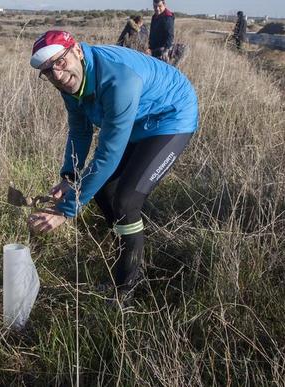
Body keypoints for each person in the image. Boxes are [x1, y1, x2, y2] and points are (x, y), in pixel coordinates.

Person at [27, 30, 198, 299]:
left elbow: (108, 155)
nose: (57, 75)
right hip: (138, 119)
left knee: (126, 200)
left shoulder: (118, 81)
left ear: (78, 51)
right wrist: (69, 177)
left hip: (170, 116)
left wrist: (66, 211)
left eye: (60, 62)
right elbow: (80, 130)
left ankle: (125, 289)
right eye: (48, 71)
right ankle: (130, 246)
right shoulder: (70, 83)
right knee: (106, 190)